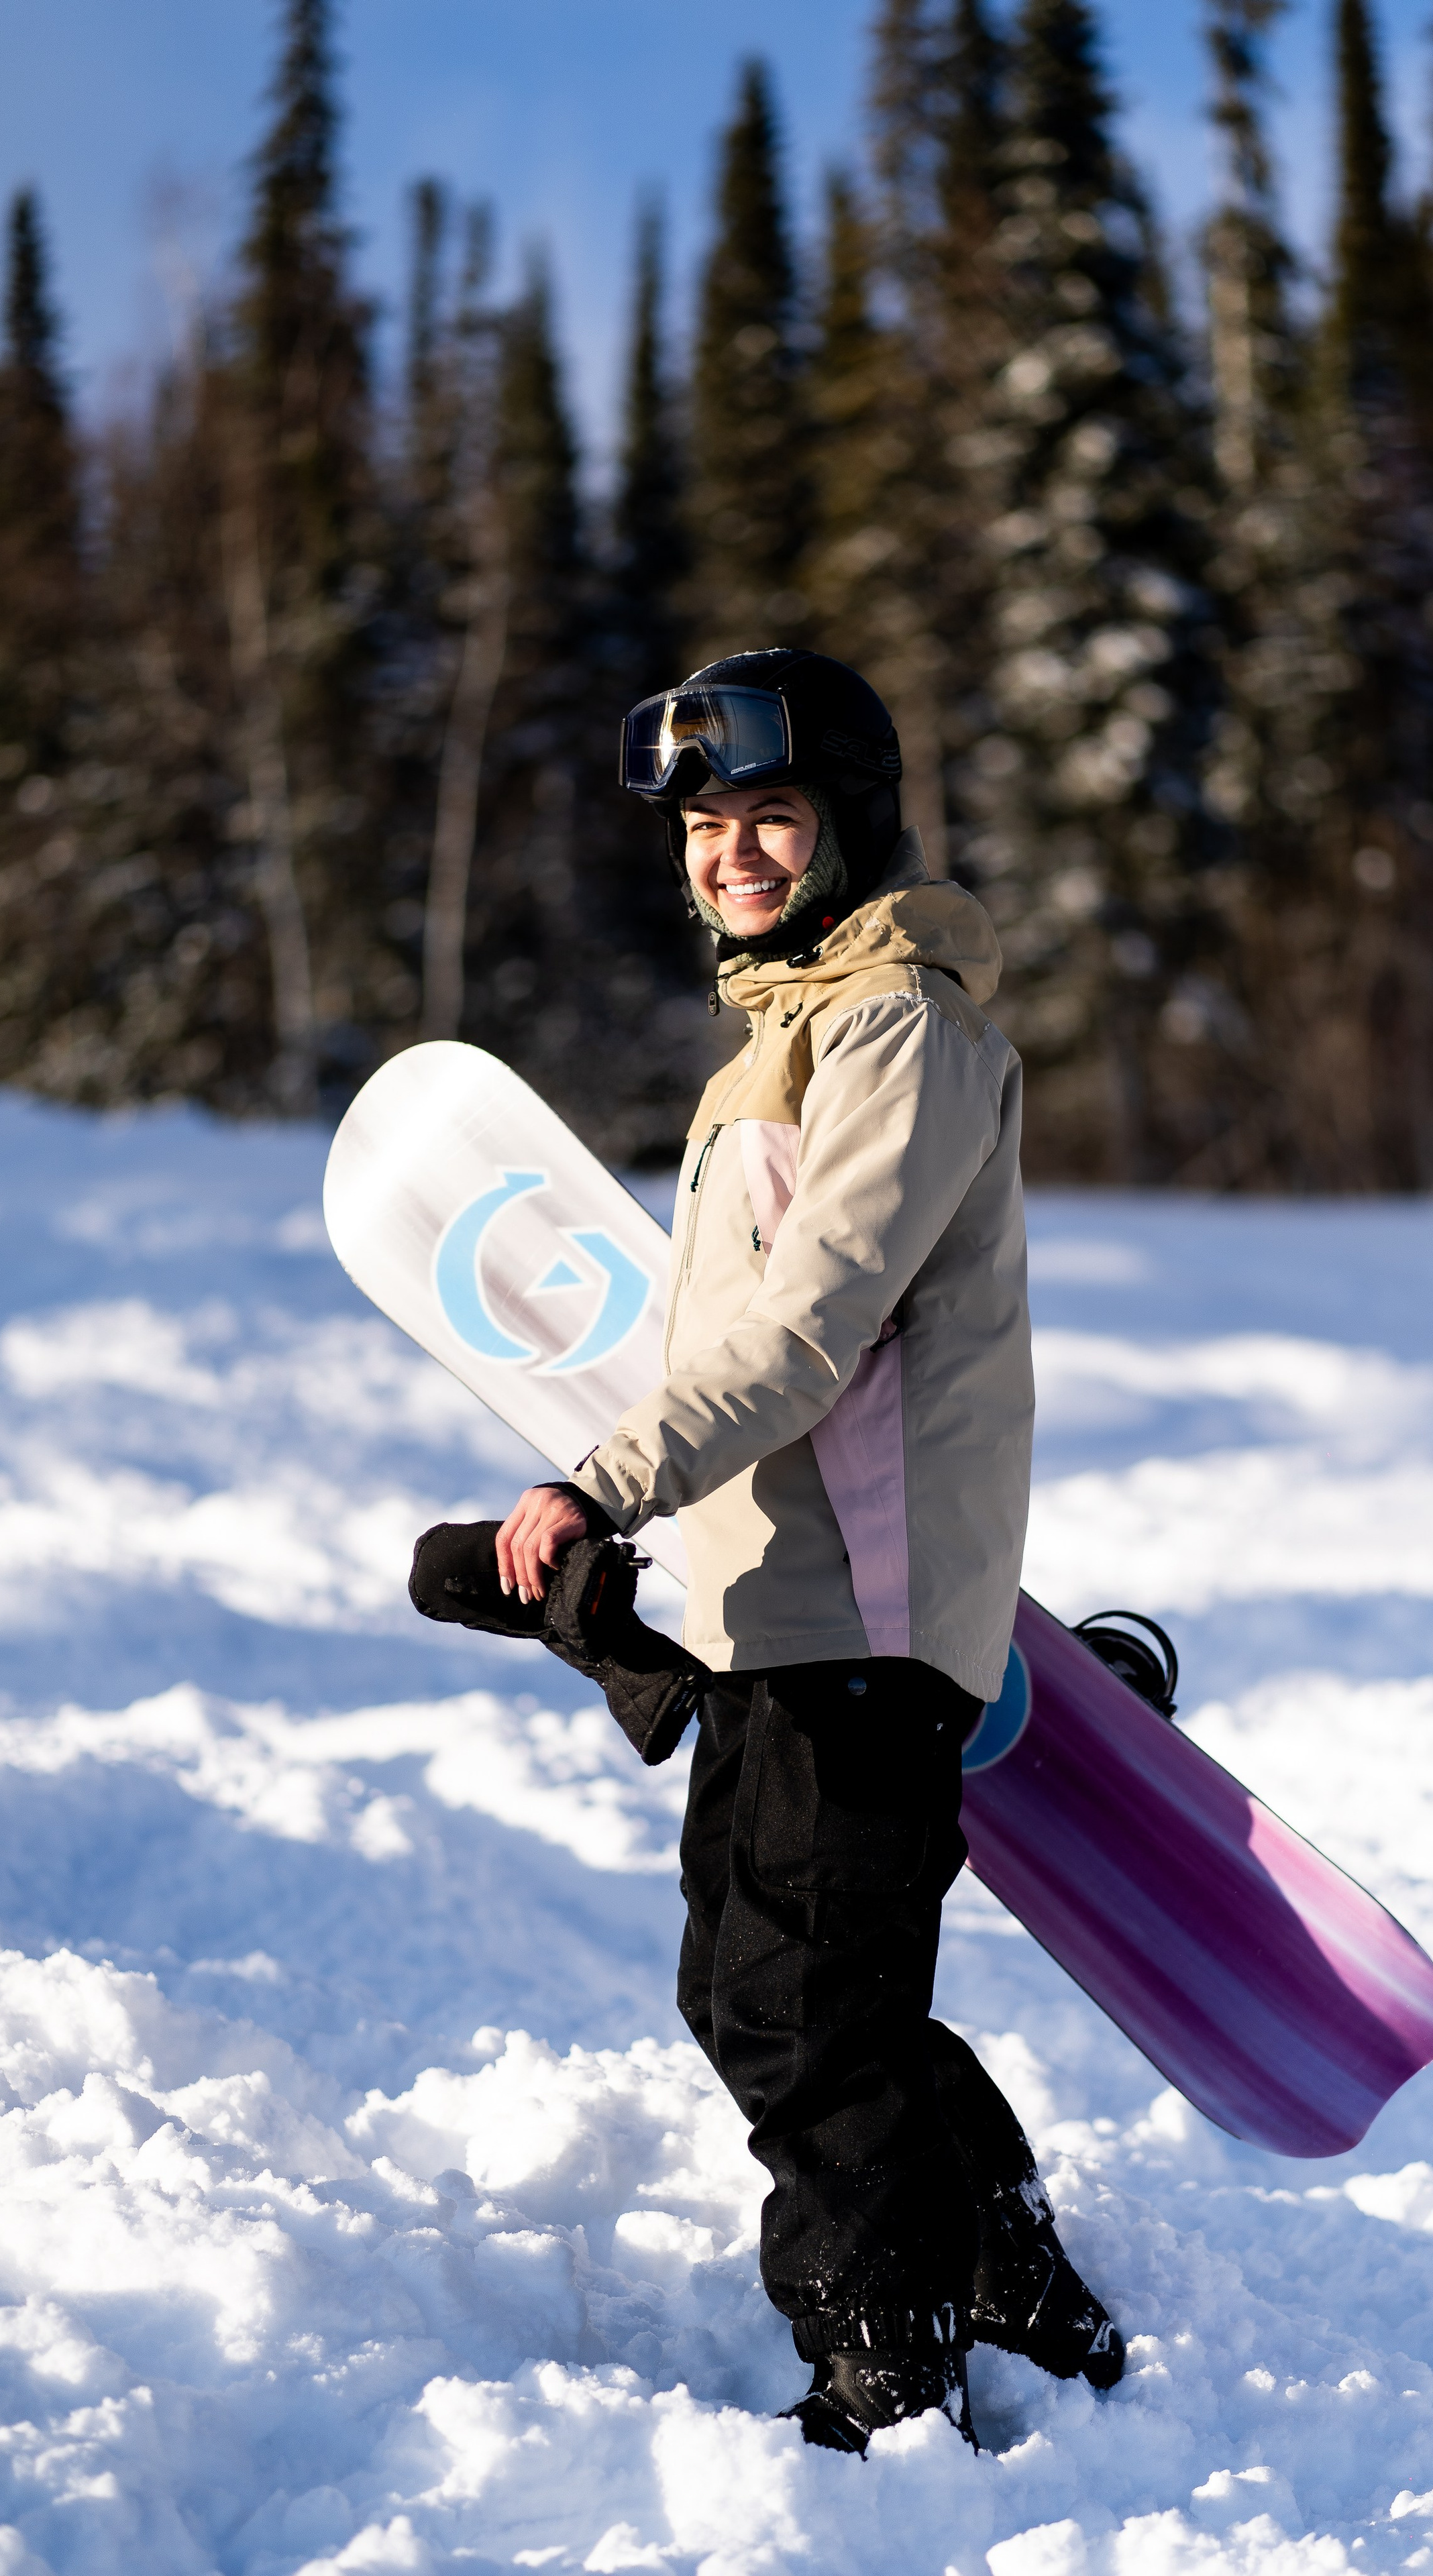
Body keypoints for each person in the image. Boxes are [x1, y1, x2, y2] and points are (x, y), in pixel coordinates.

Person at [495, 648, 1124, 2454]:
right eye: (708, 826)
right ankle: (1014, 2285)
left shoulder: (897, 1028)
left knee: (802, 2014)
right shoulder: (786, 1035)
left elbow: (813, 1327)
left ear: (850, 820)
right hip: (775, 1603)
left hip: (862, 1604)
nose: (735, 854)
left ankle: (886, 2377)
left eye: (772, 815)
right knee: (767, 1995)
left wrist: (607, 1480)